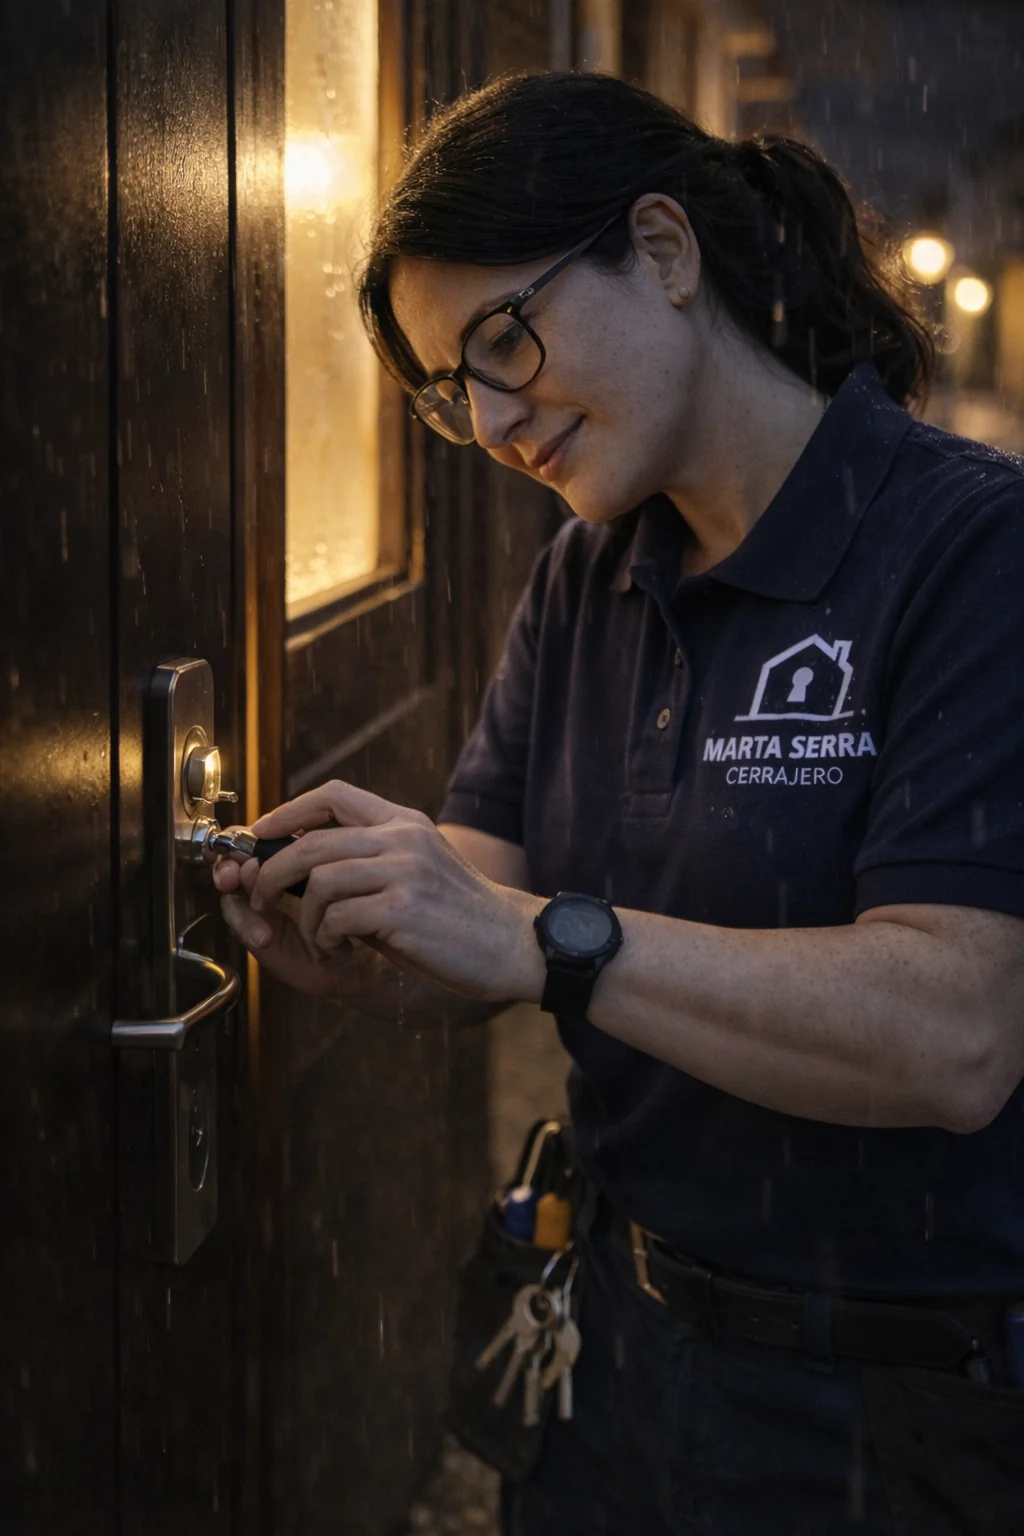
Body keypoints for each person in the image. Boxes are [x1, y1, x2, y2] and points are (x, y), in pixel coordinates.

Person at [215, 72, 1024, 1536]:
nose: (496, 414)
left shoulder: (968, 551)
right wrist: (369, 927)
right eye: (452, 390)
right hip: (610, 1345)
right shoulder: (589, 573)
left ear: (663, 251)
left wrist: (547, 939)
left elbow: (955, 1033)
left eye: (503, 340)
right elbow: (491, 886)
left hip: (896, 1402)